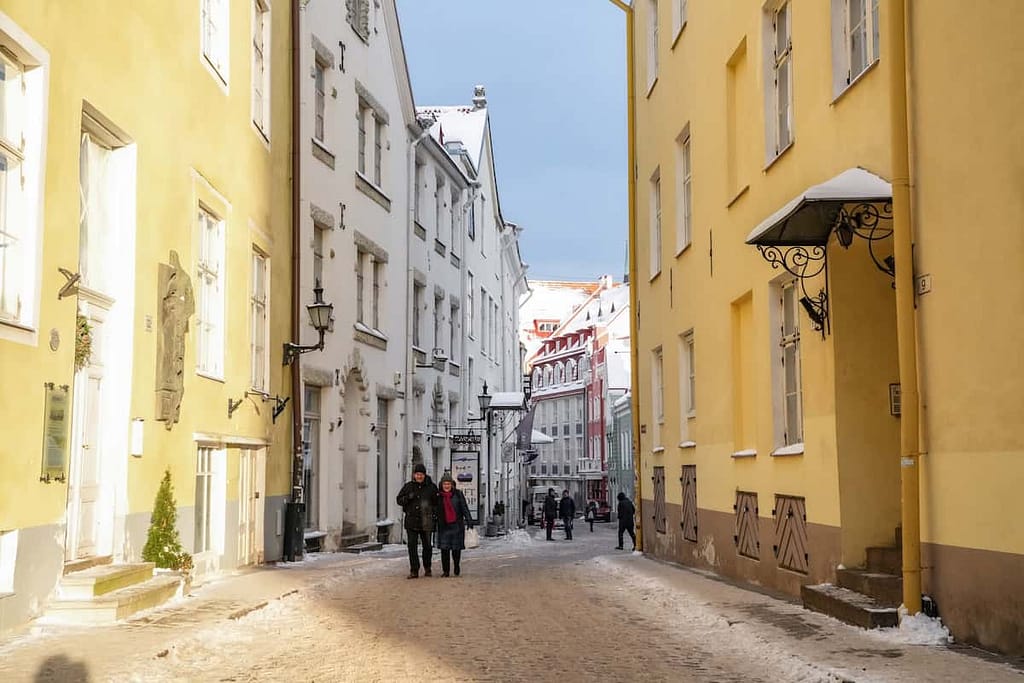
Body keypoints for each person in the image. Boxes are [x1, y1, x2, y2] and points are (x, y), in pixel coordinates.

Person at [396, 463, 438, 578]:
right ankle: (414, 569)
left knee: (427, 546)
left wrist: (433, 513)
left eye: (421, 474)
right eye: (417, 474)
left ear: (424, 475)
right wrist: (408, 498)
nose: (419, 476)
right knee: (412, 546)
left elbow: (437, 503)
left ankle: (427, 567)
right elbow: (399, 500)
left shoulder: (431, 487)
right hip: (412, 521)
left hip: (426, 521)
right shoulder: (408, 486)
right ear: (414, 475)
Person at [435, 474, 473, 577]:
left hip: (456, 525)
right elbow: (434, 510)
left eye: (448, 484)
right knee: (444, 550)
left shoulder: (458, 494)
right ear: (441, 485)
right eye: (444, 484)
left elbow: (464, 507)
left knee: (456, 549)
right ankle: (446, 571)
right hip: (444, 525)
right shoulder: (438, 496)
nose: (446, 486)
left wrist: (469, 520)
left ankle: (456, 565)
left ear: (452, 485)